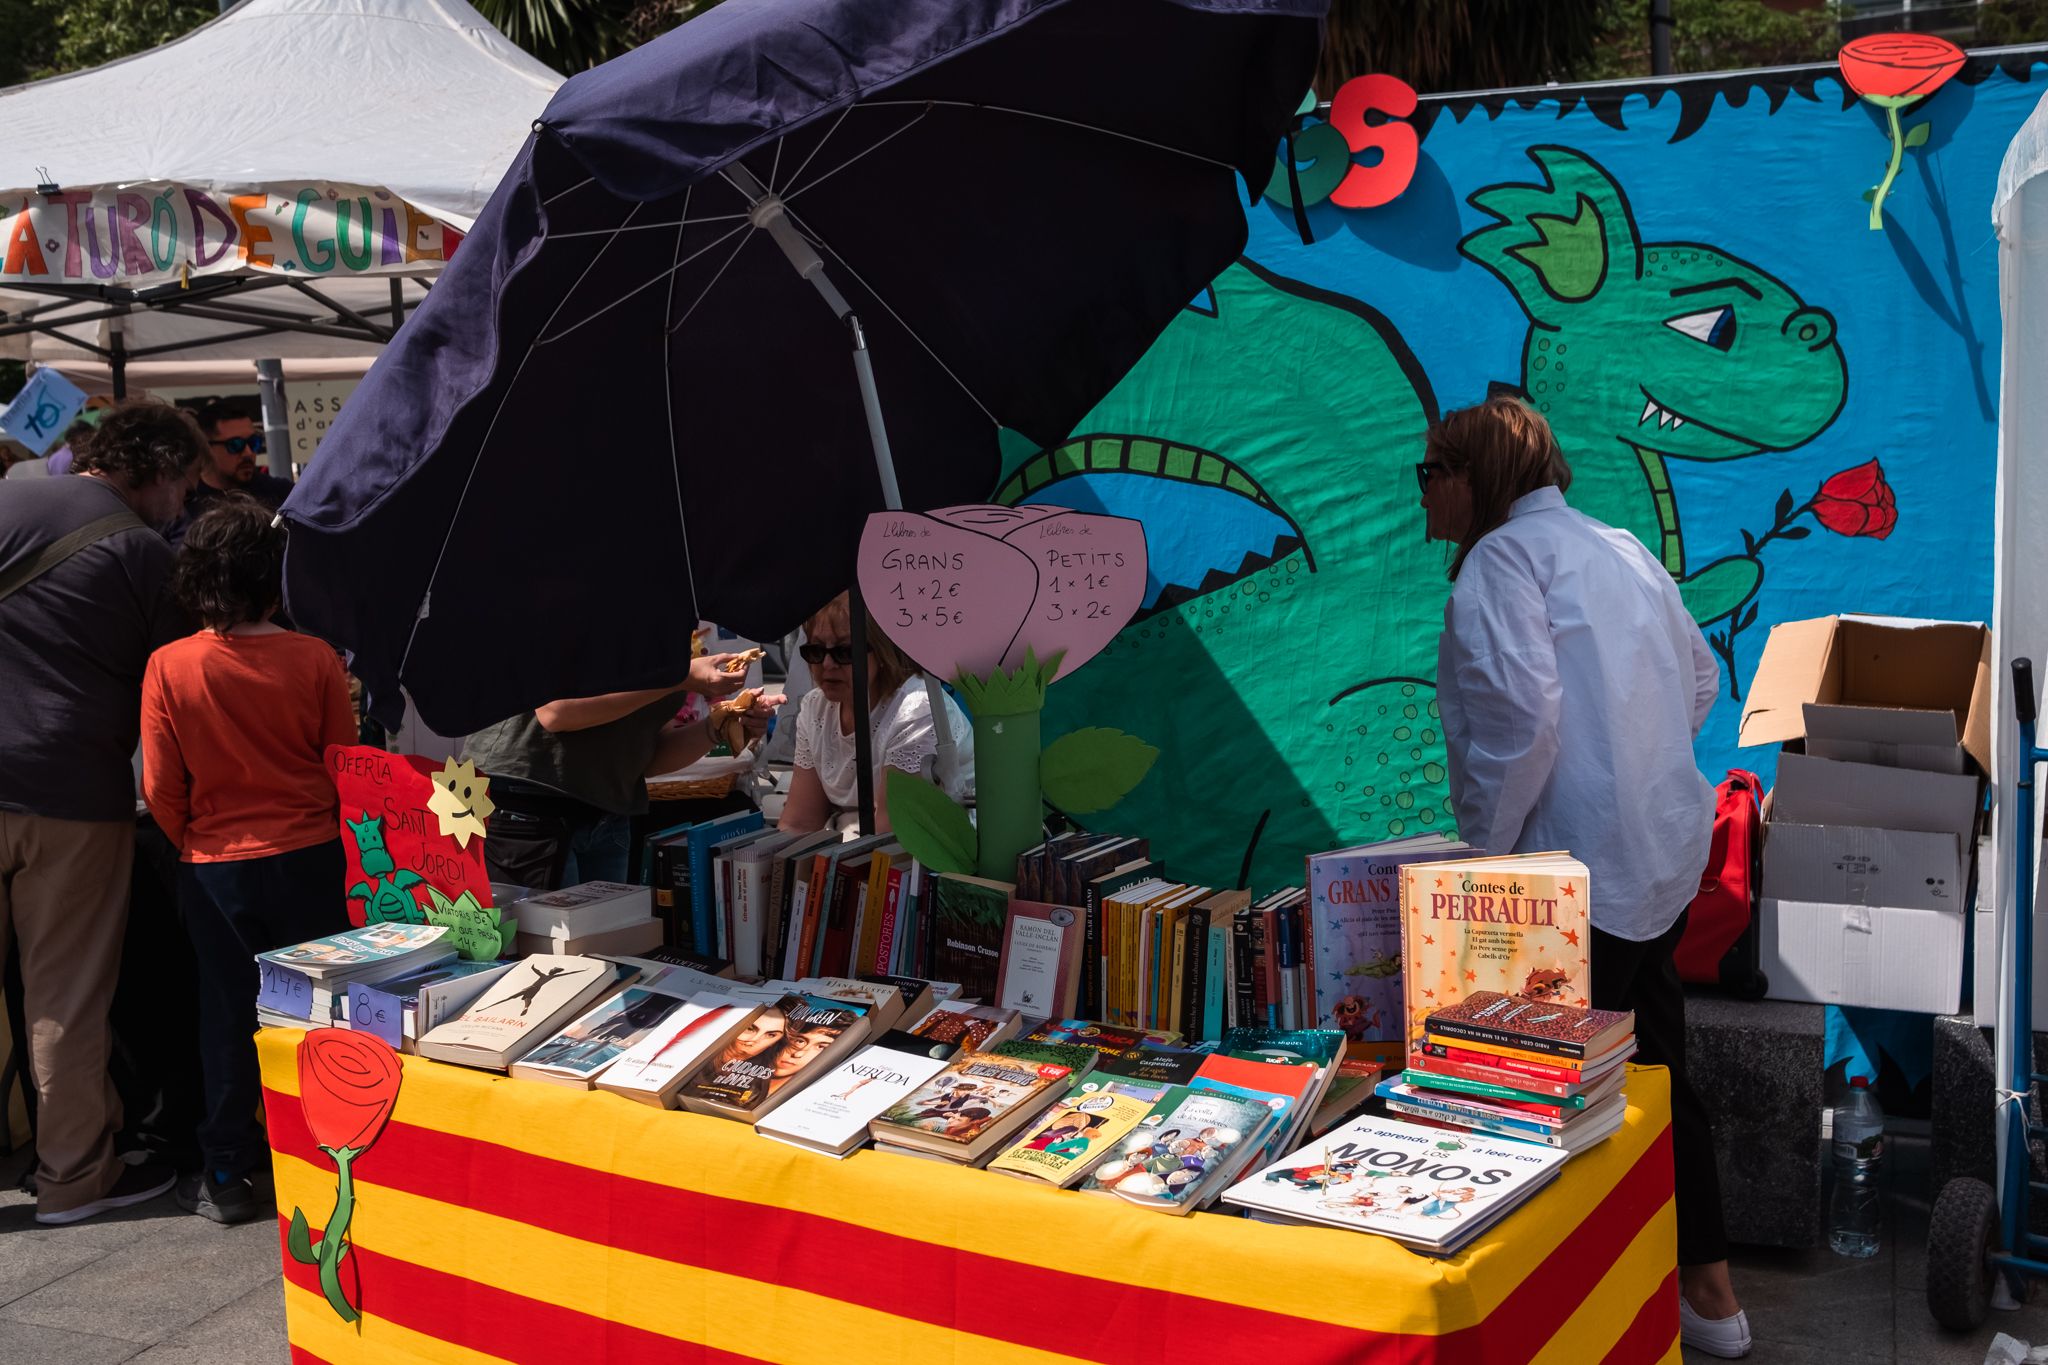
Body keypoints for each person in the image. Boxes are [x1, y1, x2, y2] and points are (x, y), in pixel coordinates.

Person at [1420, 397, 1746, 1359]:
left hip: (1563, 876)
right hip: (1653, 857)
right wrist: (1632, 760)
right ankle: (1713, 1296)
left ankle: (1576, 1312)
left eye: (1430, 473)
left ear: (1475, 475)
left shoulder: (1500, 561)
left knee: (1552, 1096)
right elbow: (1698, 678)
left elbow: (1520, 723)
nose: (1423, 494)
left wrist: (1483, 855)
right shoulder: (1618, 545)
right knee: (1658, 1075)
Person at [0, 400, 204, 1225]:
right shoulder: (142, 553)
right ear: (153, 471)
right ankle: (73, 1177)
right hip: (72, 791)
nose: (184, 504)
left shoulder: (7, 497)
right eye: (185, 485)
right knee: (68, 992)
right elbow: (179, 679)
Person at [139, 494, 358, 1224]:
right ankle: (336, 1151)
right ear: (274, 576)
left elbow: (161, 787)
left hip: (215, 864)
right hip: (313, 853)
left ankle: (228, 1169)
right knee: (321, 1012)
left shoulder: (170, 666)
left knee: (228, 1012)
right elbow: (343, 762)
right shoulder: (315, 657)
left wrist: (196, 840)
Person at [465, 654, 780, 890]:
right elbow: (556, 711)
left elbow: (648, 752)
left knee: (608, 962)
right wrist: (679, 676)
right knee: (543, 966)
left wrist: (720, 726)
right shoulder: (565, 587)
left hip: (608, 814)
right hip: (527, 807)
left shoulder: (667, 610)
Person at [778, 592, 976, 835]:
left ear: (882, 652)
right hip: (852, 851)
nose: (827, 664)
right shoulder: (815, 708)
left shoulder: (916, 710)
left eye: (845, 651)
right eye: (815, 651)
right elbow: (800, 823)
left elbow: (891, 838)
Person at [163, 399, 293, 548]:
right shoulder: (182, 506)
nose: (248, 453)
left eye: (254, 442)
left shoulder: (282, 495)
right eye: (235, 445)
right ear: (206, 448)